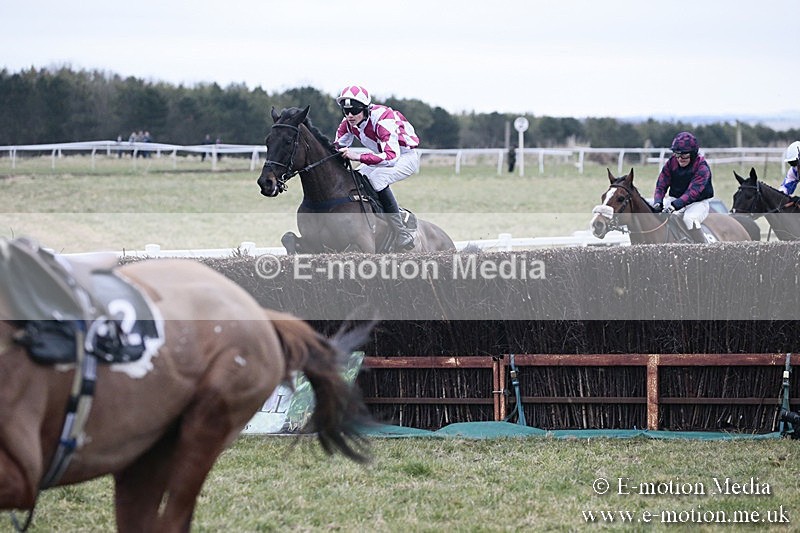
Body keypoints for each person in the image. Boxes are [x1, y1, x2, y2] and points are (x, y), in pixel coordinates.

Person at [334, 85, 419, 250]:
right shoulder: (348, 122)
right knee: (355, 178)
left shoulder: (383, 118)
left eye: (355, 110)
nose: (350, 115)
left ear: (365, 108)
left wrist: (358, 156)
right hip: (384, 156)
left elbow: (391, 157)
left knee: (377, 178)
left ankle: (401, 231)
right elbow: (336, 147)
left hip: (405, 156)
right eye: (346, 111)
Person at [651, 131, 713, 243]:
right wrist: (658, 202)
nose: (680, 158)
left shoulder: (702, 167)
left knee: (689, 219)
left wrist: (674, 206)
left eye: (684, 154)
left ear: (693, 154)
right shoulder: (671, 163)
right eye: (677, 154)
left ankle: (704, 250)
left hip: (697, 203)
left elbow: (692, 193)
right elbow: (661, 185)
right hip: (675, 200)